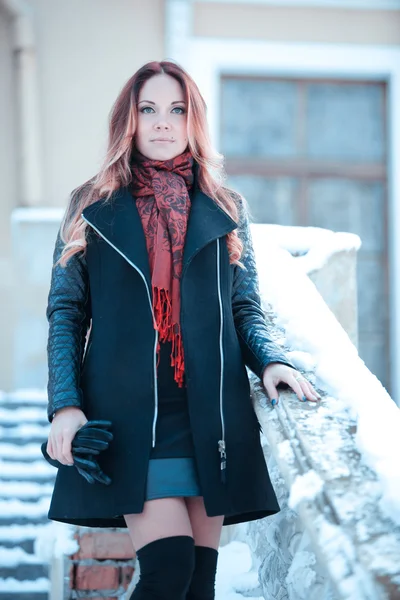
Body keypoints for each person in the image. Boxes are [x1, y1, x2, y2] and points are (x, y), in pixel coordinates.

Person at [44, 60, 320, 599]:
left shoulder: (225, 207)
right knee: (168, 569)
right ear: (129, 119)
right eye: (149, 109)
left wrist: (271, 359)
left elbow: (244, 307)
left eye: (177, 109)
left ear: (194, 120)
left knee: (199, 586)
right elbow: (66, 315)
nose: (163, 123)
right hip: (132, 418)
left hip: (209, 416)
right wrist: (66, 405)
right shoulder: (91, 206)